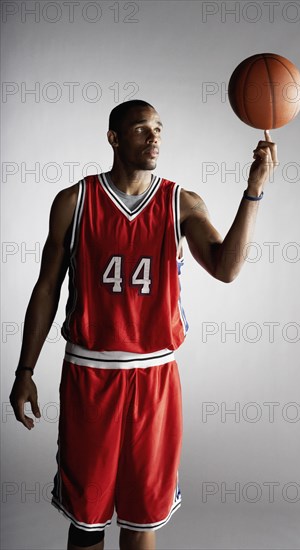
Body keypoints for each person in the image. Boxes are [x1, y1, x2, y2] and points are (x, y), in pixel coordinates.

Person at [9, 99, 278, 550]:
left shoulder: (181, 202)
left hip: (154, 375)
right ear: (114, 138)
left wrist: (254, 190)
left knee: (142, 519)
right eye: (141, 128)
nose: (154, 136)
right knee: (86, 520)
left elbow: (226, 268)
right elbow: (46, 289)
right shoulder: (74, 201)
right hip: (90, 374)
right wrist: (25, 371)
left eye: (158, 128)